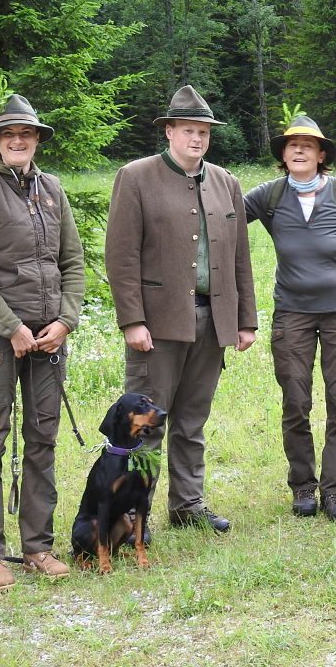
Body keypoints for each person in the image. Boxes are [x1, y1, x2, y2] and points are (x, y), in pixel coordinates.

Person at [105, 85, 257, 534]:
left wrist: (245, 319)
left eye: (204, 131)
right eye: (188, 130)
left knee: (192, 420)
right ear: (168, 132)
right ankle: (133, 514)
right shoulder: (136, 177)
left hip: (213, 321)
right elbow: (121, 256)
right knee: (145, 424)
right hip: (159, 322)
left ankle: (187, 504)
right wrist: (132, 319)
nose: (197, 138)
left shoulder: (227, 182)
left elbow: (240, 258)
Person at [0, 94, 85, 590]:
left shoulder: (52, 189)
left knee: (43, 439)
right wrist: (12, 327)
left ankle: (37, 547)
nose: (17, 141)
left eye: (25, 134)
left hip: (50, 337)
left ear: (35, 141)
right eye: (9, 135)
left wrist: (65, 322)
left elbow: (72, 263)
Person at [243, 116, 336, 522]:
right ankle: (303, 488)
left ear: (321, 155)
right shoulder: (269, 195)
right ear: (283, 155)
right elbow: (221, 215)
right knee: (295, 402)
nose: (298, 150)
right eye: (291, 145)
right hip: (292, 313)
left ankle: (335, 492)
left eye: (307, 145)